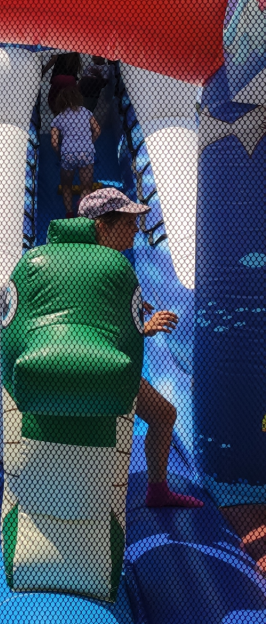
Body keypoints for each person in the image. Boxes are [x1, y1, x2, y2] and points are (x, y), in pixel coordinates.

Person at [78, 187, 203, 509]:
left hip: (111, 367)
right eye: (128, 223)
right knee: (154, 418)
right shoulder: (98, 266)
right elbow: (93, 326)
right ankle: (132, 495)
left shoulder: (97, 261)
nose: (135, 229)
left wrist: (133, 306)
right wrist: (143, 328)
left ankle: (154, 491)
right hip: (102, 370)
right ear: (102, 227)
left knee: (163, 415)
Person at [51, 85, 100, 217]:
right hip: (86, 151)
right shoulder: (86, 112)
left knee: (66, 185)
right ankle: (82, 209)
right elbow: (97, 130)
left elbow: (54, 142)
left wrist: (59, 154)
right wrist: (89, 142)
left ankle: (69, 212)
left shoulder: (58, 118)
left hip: (68, 153)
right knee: (87, 186)